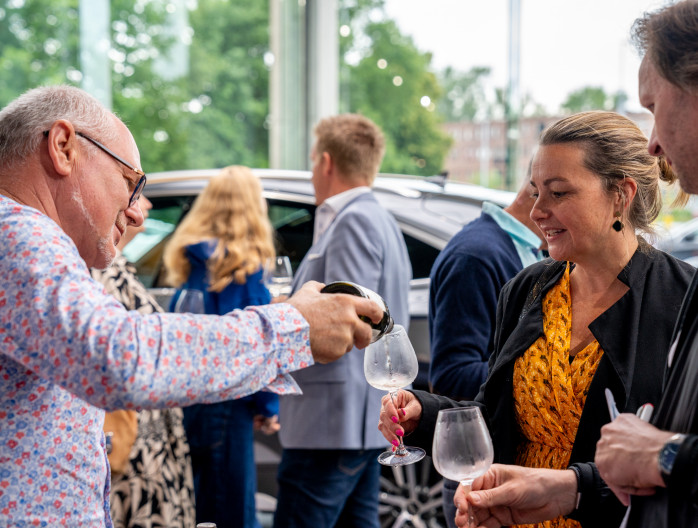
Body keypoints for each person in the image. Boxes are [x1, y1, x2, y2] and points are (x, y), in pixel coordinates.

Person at [0, 85, 384, 527]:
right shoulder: (19, 233)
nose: (137, 213)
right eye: (130, 182)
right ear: (63, 147)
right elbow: (120, 357)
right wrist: (291, 327)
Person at [377, 110, 694, 528]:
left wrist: (574, 490)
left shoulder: (681, 298)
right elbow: (495, 413)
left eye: (558, 193)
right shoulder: (528, 288)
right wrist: (428, 412)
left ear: (621, 195)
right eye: (535, 190)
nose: (538, 210)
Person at [273, 113, 412, 528]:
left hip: (332, 423)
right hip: (354, 421)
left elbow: (349, 324)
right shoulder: (380, 219)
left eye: (313, 160)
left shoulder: (352, 221)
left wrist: (287, 311)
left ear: (327, 162)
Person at [161, 165, 279, 528]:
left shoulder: (191, 265)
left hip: (188, 401)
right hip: (228, 403)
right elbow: (252, 346)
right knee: (233, 511)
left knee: (198, 507)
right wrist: (267, 404)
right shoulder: (243, 271)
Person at [428, 174, 545, 525]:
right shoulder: (476, 256)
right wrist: (544, 370)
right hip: (482, 476)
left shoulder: (519, 250)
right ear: (538, 191)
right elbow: (451, 375)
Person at [91, 195, 196, 528]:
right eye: (132, 192)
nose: (142, 208)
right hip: (133, 443)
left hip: (146, 439)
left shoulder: (113, 264)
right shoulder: (96, 268)